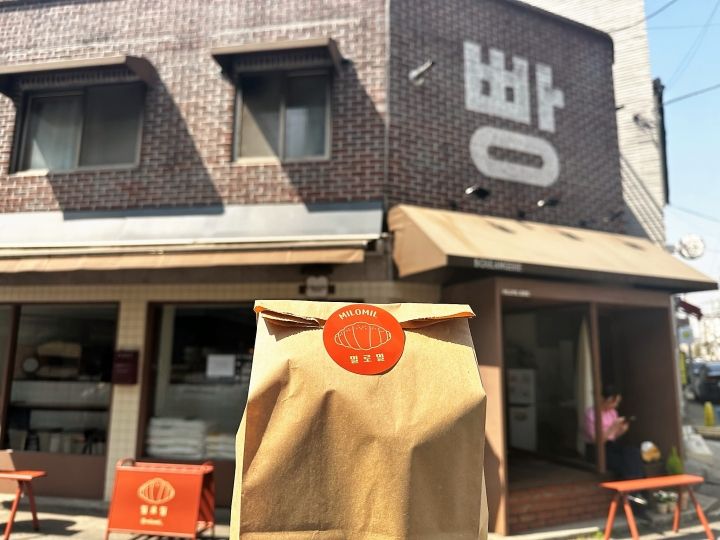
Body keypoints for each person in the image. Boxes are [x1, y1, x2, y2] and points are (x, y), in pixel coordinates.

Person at [585, 385, 646, 502]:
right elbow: (597, 441)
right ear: (606, 399)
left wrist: (622, 430)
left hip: (611, 445)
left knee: (633, 452)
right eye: (614, 401)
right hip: (596, 449)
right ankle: (634, 493)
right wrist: (613, 427)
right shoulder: (591, 414)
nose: (616, 405)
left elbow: (614, 436)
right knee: (625, 463)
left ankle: (634, 490)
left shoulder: (612, 412)